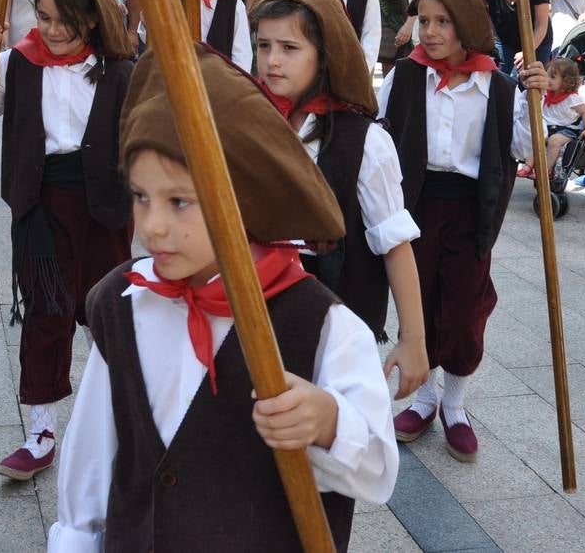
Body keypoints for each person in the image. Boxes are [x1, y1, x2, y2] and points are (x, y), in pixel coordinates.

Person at [47, 45, 399, 551]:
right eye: (141, 197)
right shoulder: (123, 302)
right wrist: (77, 539)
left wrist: (326, 420)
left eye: (179, 202)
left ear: (244, 199)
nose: (152, 225)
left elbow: (376, 474)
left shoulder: (321, 322)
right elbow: (94, 449)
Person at [0, 0, 136, 482]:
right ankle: (40, 431)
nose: (51, 30)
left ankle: (121, 420)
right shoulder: (20, 62)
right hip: (41, 202)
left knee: (105, 313)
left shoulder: (120, 70)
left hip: (105, 206)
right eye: (44, 17)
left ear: (92, 17)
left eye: (63, 21)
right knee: (46, 314)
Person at [380, 0, 547, 461]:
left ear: (467, 25)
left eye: (442, 22)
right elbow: (377, 133)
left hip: (473, 211)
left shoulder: (496, 86)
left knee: (466, 308)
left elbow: (524, 148)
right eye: (424, 20)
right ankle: (426, 397)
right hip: (416, 204)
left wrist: (536, 101)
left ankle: (455, 404)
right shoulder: (406, 77)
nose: (430, 32)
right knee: (420, 301)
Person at [251, 0, 429, 399]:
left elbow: (394, 242)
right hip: (257, 309)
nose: (273, 60)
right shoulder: (250, 124)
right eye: (264, 46)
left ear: (324, 55)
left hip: (335, 311)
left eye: (290, 48)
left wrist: (414, 341)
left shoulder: (364, 141)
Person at [520, 57, 585, 180]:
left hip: (566, 129)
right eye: (547, 76)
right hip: (546, 126)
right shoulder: (545, 94)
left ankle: (545, 171)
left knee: (554, 141)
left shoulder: (573, 98)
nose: (547, 80)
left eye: (552, 77)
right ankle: (528, 165)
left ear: (567, 81)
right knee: (536, 137)